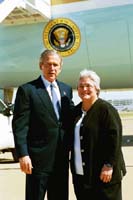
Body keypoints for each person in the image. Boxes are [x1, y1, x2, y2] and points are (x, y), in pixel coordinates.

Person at [12, 49, 74, 200]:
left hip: (61, 158)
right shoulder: (27, 90)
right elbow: (20, 126)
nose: (52, 68)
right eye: (48, 64)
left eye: (55, 65)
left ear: (60, 67)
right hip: (37, 160)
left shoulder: (66, 89)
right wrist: (23, 154)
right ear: (41, 65)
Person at [70, 69, 126, 200]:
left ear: (97, 88)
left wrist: (109, 165)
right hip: (81, 177)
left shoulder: (106, 110)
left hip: (104, 175)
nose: (84, 89)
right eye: (81, 86)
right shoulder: (75, 112)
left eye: (88, 85)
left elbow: (115, 139)